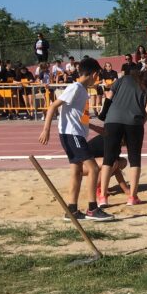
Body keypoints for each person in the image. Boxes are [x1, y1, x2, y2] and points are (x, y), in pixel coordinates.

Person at [37, 57, 114, 221]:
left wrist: (95, 128)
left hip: (75, 134)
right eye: (98, 76)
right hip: (71, 134)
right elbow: (53, 106)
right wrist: (46, 130)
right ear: (94, 74)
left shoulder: (81, 90)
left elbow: (80, 117)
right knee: (93, 169)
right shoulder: (76, 88)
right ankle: (93, 208)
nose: (97, 79)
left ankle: (72, 209)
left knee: (77, 171)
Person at [98, 68, 147, 207]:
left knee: (108, 158)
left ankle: (102, 197)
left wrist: (104, 114)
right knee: (134, 159)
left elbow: (109, 96)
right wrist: (141, 122)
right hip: (134, 122)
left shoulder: (122, 80)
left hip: (112, 120)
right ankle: (132, 197)